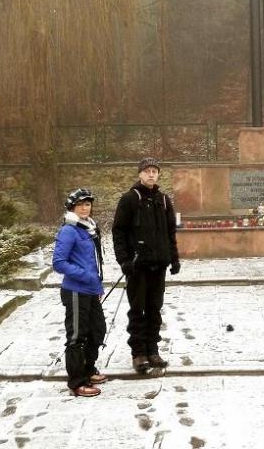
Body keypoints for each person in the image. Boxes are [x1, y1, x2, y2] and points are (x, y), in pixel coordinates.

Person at [112, 157, 181, 373]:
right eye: (147, 171)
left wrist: (174, 258)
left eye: (154, 171)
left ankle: (153, 350)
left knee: (154, 308)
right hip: (137, 266)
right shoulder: (130, 199)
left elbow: (170, 232)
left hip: (158, 265)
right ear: (140, 174)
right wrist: (124, 260)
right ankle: (139, 353)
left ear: (158, 174)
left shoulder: (164, 200)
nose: (151, 174)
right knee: (137, 310)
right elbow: (118, 232)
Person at [52, 188, 107, 398]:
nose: (85, 208)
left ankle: (88, 369)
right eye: (80, 204)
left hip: (90, 290)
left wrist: (97, 285)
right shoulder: (69, 230)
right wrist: (85, 276)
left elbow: (92, 262)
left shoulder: (88, 229)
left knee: (97, 331)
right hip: (75, 290)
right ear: (72, 207)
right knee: (77, 336)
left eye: (88, 204)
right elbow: (59, 263)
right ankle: (77, 382)